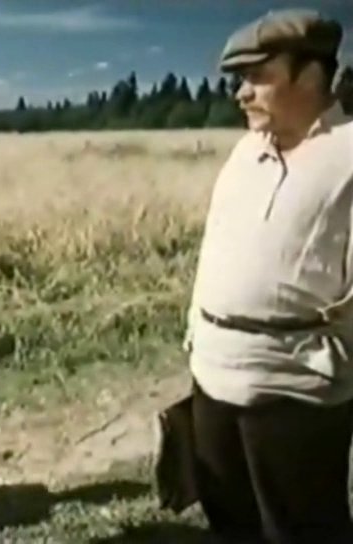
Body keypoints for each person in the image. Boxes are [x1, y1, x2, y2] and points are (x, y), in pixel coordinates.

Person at [184, 8, 353, 544]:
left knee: (301, 530)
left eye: (258, 76)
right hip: (212, 374)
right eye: (240, 78)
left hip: (295, 389)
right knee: (230, 523)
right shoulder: (245, 150)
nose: (241, 93)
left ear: (311, 74)